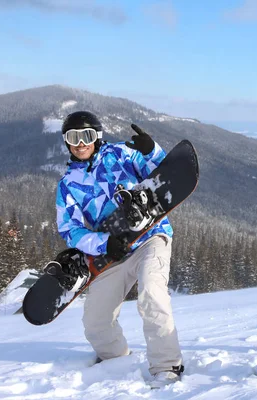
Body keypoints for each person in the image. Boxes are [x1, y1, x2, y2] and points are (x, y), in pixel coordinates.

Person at [55, 111, 184, 388]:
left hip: (151, 236)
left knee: (152, 294)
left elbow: (168, 175)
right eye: (73, 137)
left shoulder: (121, 155)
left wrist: (152, 151)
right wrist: (102, 244)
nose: (80, 143)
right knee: (95, 320)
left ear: (97, 137)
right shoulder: (67, 186)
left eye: (86, 136)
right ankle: (116, 360)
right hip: (113, 252)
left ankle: (166, 366)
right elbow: (70, 229)